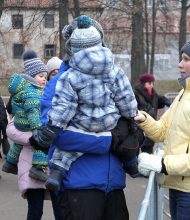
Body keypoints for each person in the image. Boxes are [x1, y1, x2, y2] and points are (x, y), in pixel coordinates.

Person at [29, 15, 137, 220]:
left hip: (113, 182)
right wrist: (109, 140)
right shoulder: (60, 81)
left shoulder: (112, 73)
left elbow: (129, 113)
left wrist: (131, 132)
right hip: (80, 185)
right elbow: (58, 135)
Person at [135, 36, 190, 220]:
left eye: (186, 59)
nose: (180, 64)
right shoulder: (186, 92)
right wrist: (142, 119)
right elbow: (162, 131)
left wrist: (163, 165)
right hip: (178, 187)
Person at [2, 58, 48, 181]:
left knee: (18, 143)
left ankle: (10, 163)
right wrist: (37, 127)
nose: (44, 79)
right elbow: (32, 110)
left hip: (19, 122)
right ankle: (38, 167)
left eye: (45, 77)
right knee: (42, 143)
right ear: (32, 77)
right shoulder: (32, 91)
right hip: (29, 122)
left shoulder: (23, 89)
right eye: (41, 76)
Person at [134, 72, 171, 154]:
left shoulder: (153, 94)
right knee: (135, 152)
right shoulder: (136, 94)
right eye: (149, 83)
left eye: (152, 83)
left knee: (148, 153)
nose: (152, 85)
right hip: (139, 128)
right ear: (143, 83)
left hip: (151, 126)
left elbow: (159, 100)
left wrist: (167, 102)